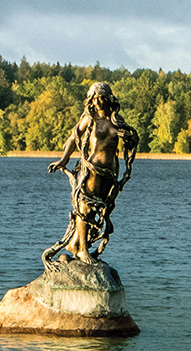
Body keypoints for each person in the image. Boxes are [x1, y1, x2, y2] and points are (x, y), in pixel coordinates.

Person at [42, 82, 139, 267]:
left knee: (98, 210)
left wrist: (128, 139)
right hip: (91, 171)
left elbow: (132, 140)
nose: (99, 101)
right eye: (95, 98)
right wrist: (63, 160)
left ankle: (77, 245)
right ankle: (83, 251)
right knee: (85, 208)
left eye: (102, 97)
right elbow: (73, 137)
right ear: (91, 100)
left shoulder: (116, 120)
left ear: (108, 98)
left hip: (109, 174)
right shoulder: (90, 119)